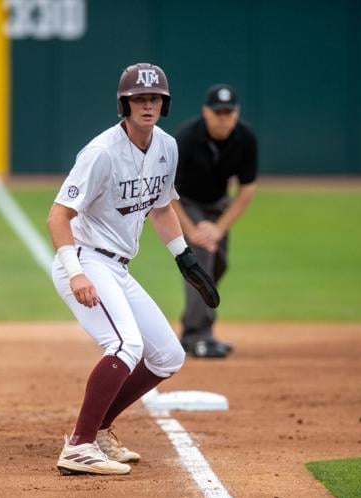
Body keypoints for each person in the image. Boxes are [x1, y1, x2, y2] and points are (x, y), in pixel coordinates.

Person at [46, 63, 219, 476]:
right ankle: (79, 445)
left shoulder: (166, 147)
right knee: (126, 345)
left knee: (167, 355)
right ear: (124, 104)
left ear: (164, 104)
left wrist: (184, 257)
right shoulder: (101, 152)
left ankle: (100, 428)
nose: (147, 105)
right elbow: (58, 216)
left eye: (154, 98)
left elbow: (161, 208)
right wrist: (76, 272)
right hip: (88, 259)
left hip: (118, 267)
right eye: (139, 99)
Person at [172, 83, 258, 358]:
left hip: (218, 206)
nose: (224, 118)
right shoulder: (186, 138)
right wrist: (191, 231)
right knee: (201, 257)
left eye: (229, 112)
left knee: (219, 263)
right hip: (185, 202)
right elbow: (166, 192)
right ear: (205, 112)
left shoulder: (245, 137)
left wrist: (219, 229)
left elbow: (247, 189)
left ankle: (191, 327)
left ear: (237, 113)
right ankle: (199, 336)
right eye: (218, 112)